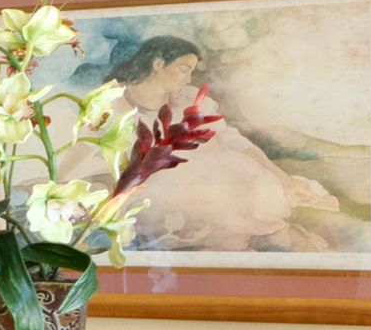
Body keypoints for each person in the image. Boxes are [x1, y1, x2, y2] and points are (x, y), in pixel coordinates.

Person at [100, 34, 355, 254]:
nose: (188, 78)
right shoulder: (112, 100)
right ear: (157, 63)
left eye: (191, 71)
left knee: (246, 195)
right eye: (183, 68)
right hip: (148, 182)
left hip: (216, 172)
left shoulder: (190, 98)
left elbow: (232, 140)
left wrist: (282, 178)